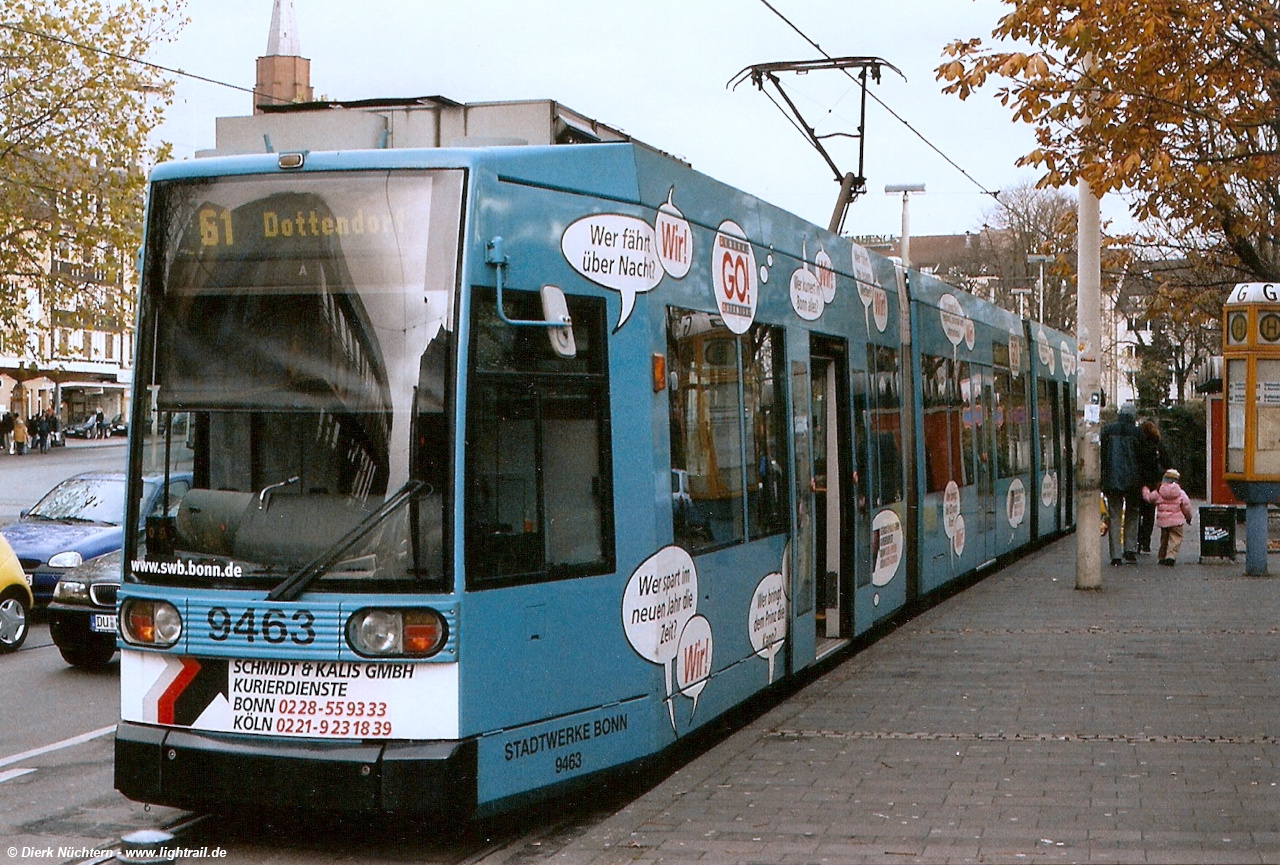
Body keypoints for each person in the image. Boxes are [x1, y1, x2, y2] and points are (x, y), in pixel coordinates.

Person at [1100, 402, 1142, 566]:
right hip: (1133, 480)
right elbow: (1142, 458)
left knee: (1115, 515)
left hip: (1112, 479)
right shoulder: (1137, 433)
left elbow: (1102, 456)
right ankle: (1130, 549)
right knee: (1132, 513)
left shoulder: (1108, 431)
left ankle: (1115, 555)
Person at [1143, 468, 1193, 566]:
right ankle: (1171, 556)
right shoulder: (1181, 493)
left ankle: (1162, 556)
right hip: (1177, 522)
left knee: (1164, 539)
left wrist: (1145, 490)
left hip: (1164, 522)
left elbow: (1149, 498)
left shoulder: (1159, 491)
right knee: (1175, 539)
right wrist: (1188, 517)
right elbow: (1186, 506)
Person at [1135, 418, 1167, 554]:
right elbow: (1167, 462)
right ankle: (1145, 543)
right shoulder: (1158, 445)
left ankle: (1136, 540)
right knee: (1149, 514)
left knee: (1136, 512)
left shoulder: (1138, 444)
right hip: (1154, 483)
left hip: (1139, 482)